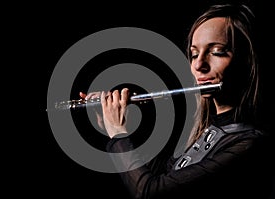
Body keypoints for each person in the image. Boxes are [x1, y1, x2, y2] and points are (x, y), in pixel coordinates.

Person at [79, 3, 274, 199]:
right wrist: (117, 128)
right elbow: (161, 176)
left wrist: (119, 136)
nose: (198, 65)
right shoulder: (209, 130)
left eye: (216, 51)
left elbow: (149, 192)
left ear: (248, 61)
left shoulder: (250, 144)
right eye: (194, 54)